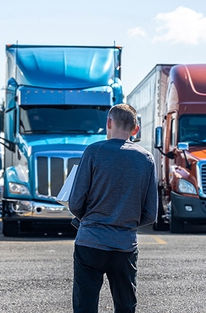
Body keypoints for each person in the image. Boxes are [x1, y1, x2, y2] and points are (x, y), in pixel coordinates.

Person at [68, 103, 158, 313]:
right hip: (124, 245)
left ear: (108, 123)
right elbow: (150, 214)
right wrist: (126, 221)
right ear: (135, 129)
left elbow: (75, 203)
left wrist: (89, 219)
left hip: (90, 241)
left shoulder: (93, 151)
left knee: (85, 306)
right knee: (125, 306)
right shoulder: (146, 159)